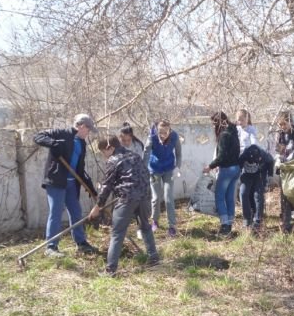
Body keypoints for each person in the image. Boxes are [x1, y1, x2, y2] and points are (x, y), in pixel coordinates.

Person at [88, 135, 159, 276]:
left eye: (103, 152)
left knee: (117, 233)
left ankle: (110, 270)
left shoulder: (113, 160)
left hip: (127, 199)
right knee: (145, 226)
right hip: (144, 196)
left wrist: (97, 207)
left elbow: (106, 186)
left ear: (110, 148)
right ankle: (154, 257)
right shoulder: (135, 156)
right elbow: (145, 175)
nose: (104, 156)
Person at [33, 113, 99, 257]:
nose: (88, 133)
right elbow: (38, 136)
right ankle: (51, 247)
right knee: (56, 212)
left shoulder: (82, 143)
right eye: (88, 130)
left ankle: (81, 243)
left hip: (71, 183)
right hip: (56, 181)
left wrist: (90, 188)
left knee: (76, 212)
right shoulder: (61, 133)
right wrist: (53, 143)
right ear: (82, 126)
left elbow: (80, 169)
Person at [203, 112, 241, 235]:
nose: (213, 126)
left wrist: (210, 166)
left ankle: (224, 225)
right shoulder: (233, 132)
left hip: (227, 170)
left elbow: (222, 156)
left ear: (218, 123)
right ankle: (229, 224)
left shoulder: (224, 135)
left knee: (219, 197)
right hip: (236, 169)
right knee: (229, 198)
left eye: (214, 123)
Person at [143, 119, 182, 237]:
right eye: (161, 133)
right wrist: (143, 169)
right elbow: (146, 153)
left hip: (169, 169)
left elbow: (179, 154)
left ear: (170, 130)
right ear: (157, 131)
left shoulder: (174, 136)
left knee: (168, 197)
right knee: (155, 198)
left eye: (166, 132)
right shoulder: (152, 137)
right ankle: (155, 221)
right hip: (154, 170)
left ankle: (172, 226)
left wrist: (177, 167)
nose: (163, 135)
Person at [238, 144, 274, 232]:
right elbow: (239, 166)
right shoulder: (244, 155)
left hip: (259, 174)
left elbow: (271, 161)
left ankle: (258, 220)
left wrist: (270, 176)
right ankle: (247, 218)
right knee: (243, 193)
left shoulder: (264, 155)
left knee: (258, 196)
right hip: (246, 175)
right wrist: (237, 176)